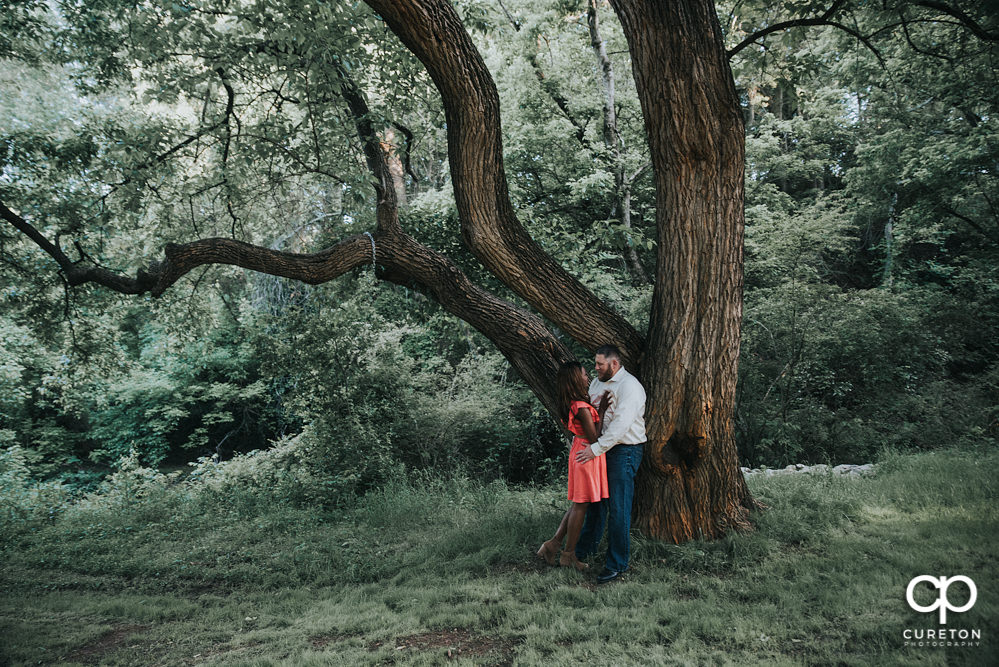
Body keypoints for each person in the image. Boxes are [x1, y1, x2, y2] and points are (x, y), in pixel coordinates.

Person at [574, 344, 647, 583]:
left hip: (624, 451)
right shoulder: (596, 383)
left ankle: (617, 564)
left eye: (600, 364)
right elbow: (592, 415)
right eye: (595, 364)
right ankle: (583, 552)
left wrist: (594, 450)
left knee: (618, 509)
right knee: (596, 505)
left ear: (614, 364)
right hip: (600, 449)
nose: (595, 368)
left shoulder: (630, 387)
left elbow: (619, 428)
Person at [536, 361, 608, 571]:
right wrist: (602, 411)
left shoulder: (572, 403)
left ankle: (553, 545)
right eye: (585, 375)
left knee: (579, 504)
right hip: (587, 453)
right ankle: (568, 555)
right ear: (576, 379)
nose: (587, 378)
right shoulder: (582, 407)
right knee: (580, 506)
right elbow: (595, 438)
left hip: (579, 450)